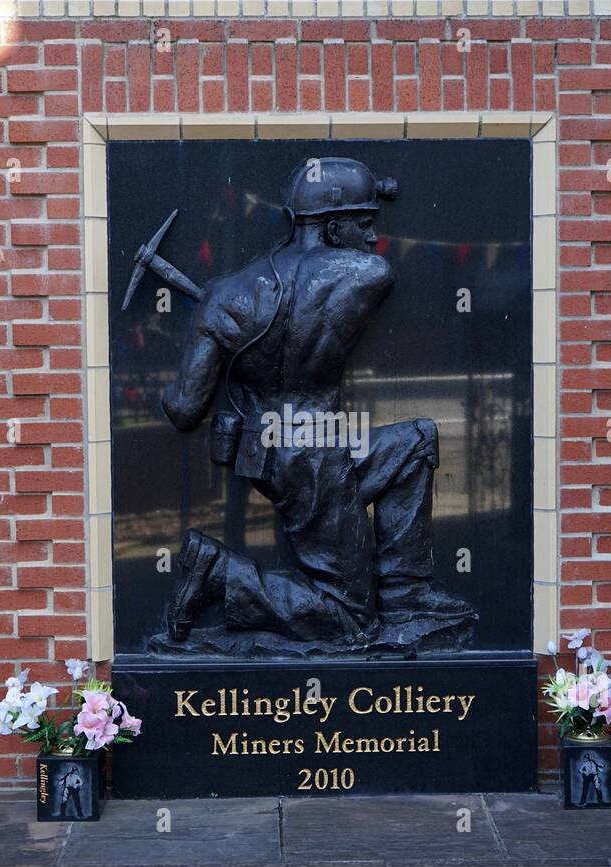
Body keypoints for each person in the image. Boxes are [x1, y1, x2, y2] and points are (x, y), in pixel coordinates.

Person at [159, 157, 477, 651]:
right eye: (365, 223)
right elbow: (337, 284)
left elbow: (183, 410)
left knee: (415, 441)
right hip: (305, 459)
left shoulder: (224, 297)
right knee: (351, 621)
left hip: (298, 444)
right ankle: (219, 572)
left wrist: (214, 325)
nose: (374, 238)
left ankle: (407, 595)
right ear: (332, 227)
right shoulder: (368, 273)